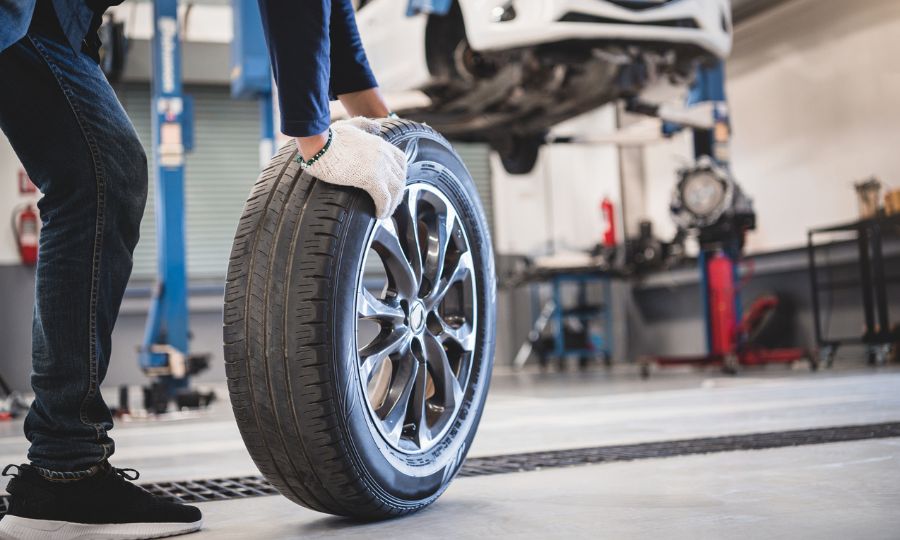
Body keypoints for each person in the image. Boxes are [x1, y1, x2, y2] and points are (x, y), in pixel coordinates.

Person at [0, 0, 405, 537]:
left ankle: (64, 467)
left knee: (100, 176)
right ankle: (64, 463)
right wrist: (313, 137)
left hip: (49, 19)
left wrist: (379, 120)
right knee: (100, 177)